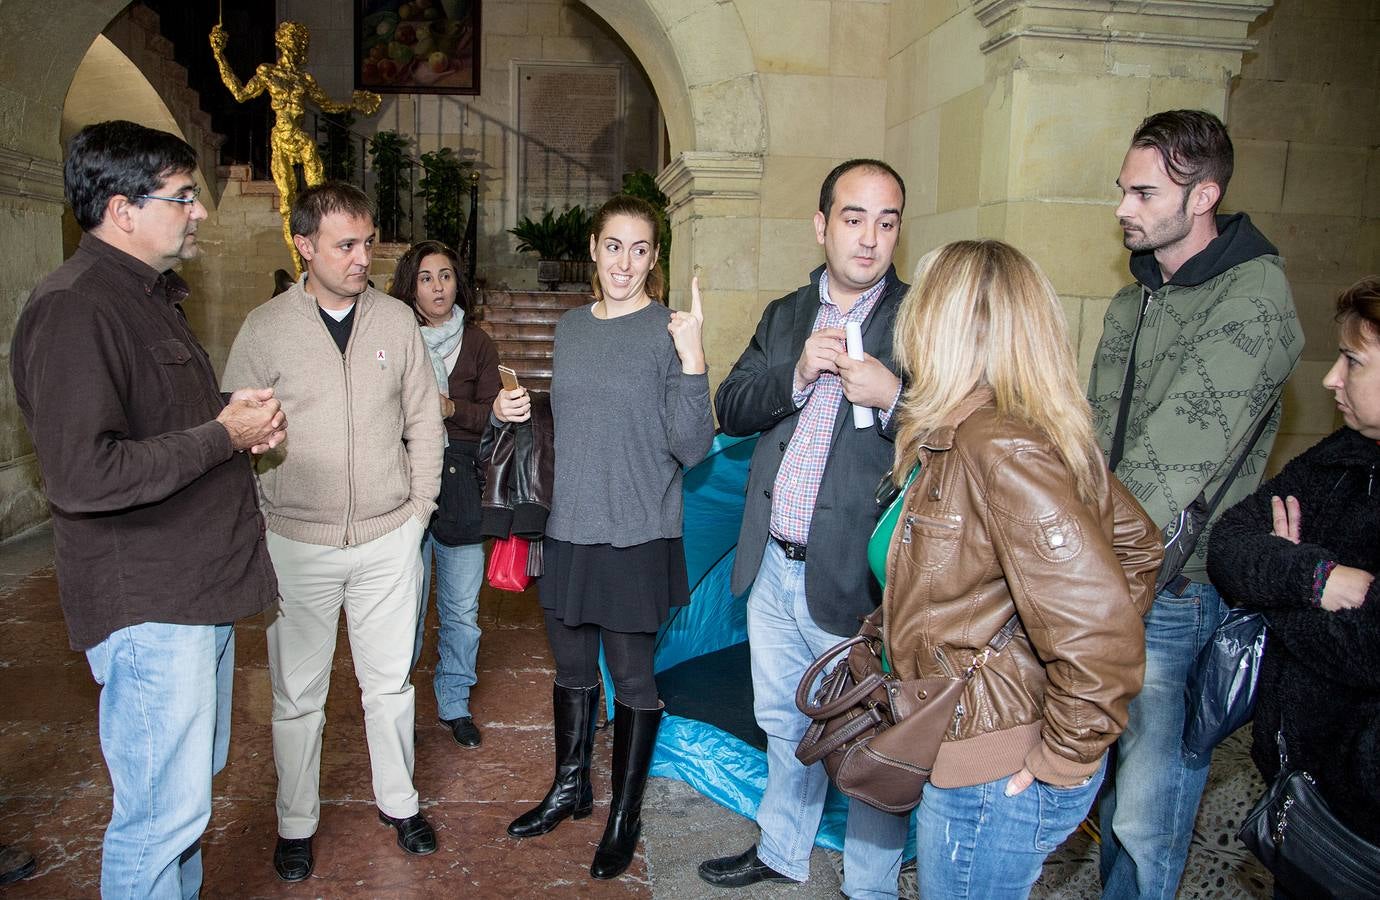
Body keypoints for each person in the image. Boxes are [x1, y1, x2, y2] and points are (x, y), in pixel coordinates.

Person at [10, 120, 284, 898]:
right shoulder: (75, 307)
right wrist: (220, 434)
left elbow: (155, 425)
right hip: (149, 602)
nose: (198, 211)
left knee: (183, 807)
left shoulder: (143, 298)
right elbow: (83, 473)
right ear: (123, 209)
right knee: (158, 820)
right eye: (183, 197)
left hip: (190, 590)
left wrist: (230, 420)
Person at [878, 239, 1162, 898]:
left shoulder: (998, 445)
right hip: (973, 744)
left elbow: (1099, 626)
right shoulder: (984, 430)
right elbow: (1138, 548)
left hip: (992, 771)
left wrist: (1063, 749)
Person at [1087, 109, 1303, 900]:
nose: (1123, 208)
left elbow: (1163, 469)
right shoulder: (1134, 298)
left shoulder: (1254, 299)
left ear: (1204, 194)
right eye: (1123, 190)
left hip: (1177, 590)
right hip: (1112, 572)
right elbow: (1090, 439)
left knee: (1150, 808)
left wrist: (1063, 564)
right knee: (1112, 790)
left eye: (1144, 193)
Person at [700, 159, 912, 897]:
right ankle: (784, 851)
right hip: (772, 564)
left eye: (887, 223)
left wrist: (895, 399)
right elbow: (732, 403)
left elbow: (966, 436)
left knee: (871, 739)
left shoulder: (917, 319)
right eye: (854, 218)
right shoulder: (787, 313)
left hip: (857, 580)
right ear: (822, 226)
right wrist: (794, 372)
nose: (869, 238)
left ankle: (870, 887)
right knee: (783, 720)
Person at [221, 182, 444, 882]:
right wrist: (264, 520)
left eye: (367, 241)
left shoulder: (396, 323)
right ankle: (295, 823)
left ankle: (399, 802)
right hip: (297, 540)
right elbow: (237, 428)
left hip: (387, 536)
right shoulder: (264, 328)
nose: (361, 256)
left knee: (391, 685)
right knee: (297, 697)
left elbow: (424, 423)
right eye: (345, 244)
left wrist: (419, 514)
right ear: (305, 245)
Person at [498, 194, 713, 881]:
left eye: (640, 248)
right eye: (613, 246)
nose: (625, 261)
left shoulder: (666, 330)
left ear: (655, 258)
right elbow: (575, 425)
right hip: (570, 526)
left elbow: (693, 447)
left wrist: (693, 357)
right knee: (568, 670)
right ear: (594, 250)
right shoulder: (568, 328)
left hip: (637, 531)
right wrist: (516, 409)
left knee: (632, 680)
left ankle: (625, 813)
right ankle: (570, 787)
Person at [1207, 276, 1380, 896]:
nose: (1332, 378)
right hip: (1304, 795)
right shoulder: (1341, 456)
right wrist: (1316, 577)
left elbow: (1368, 649)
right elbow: (1230, 544)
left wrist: (1275, 591)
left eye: (1353, 361)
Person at [392, 239, 500, 748]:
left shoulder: (477, 343)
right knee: (403, 608)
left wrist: (450, 409)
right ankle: (395, 701)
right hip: (403, 482)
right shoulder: (393, 336)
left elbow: (494, 417)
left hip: (461, 485)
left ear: (458, 282)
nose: (438, 287)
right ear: (411, 286)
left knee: (461, 610)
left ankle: (454, 701)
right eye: (426, 278)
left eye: (446, 276)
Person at [208, 20, 381, 273]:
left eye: (301, 43)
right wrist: (219, 54)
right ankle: (300, 267)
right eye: (293, 41)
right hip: (281, 139)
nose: (298, 47)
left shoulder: (304, 79)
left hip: (300, 140)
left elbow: (328, 105)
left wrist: (354, 103)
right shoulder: (268, 73)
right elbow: (240, 93)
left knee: (322, 200)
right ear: (282, 43)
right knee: (288, 204)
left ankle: (325, 257)